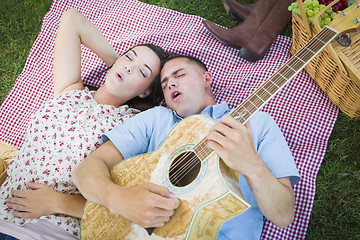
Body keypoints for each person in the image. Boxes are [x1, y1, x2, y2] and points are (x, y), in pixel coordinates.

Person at [73, 55, 301, 239]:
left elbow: (283, 216)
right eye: (164, 84)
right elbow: (86, 170)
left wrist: (251, 165)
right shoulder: (157, 120)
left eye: (179, 75)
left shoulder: (255, 123)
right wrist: (118, 200)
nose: (170, 83)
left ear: (206, 79)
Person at [0, 8, 168, 240]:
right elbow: (72, 19)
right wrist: (116, 62)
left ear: (145, 92)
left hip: (48, 231)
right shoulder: (70, 91)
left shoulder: (132, 124)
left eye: (142, 71)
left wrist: (58, 202)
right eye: (130, 57)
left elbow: (122, 205)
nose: (130, 66)